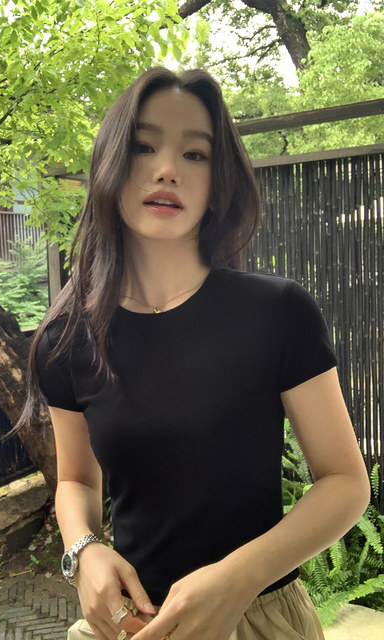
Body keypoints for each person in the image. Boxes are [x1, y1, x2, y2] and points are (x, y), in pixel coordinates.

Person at [18, 68, 370, 640]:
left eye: (195, 154)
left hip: (260, 618)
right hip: (132, 623)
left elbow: (345, 482)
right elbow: (77, 481)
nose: (167, 169)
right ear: (110, 164)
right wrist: (83, 550)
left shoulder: (277, 312)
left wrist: (239, 578)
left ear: (217, 181)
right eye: (144, 146)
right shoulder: (66, 340)